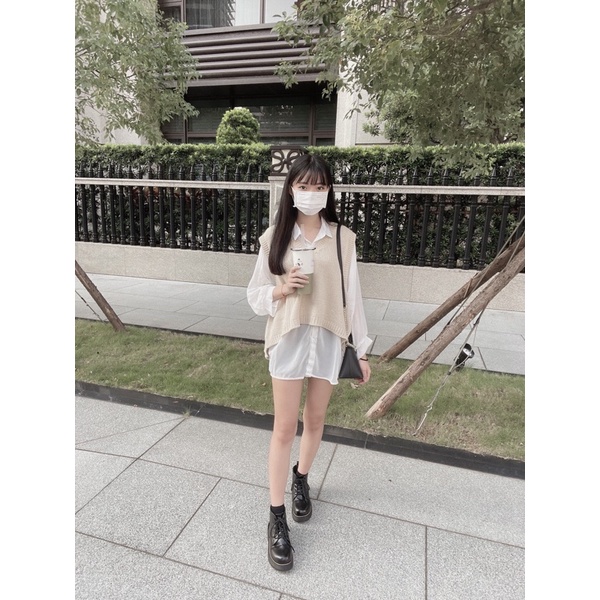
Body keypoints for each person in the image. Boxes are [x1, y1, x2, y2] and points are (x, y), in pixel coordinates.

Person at [247, 154, 372, 571]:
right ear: (291, 189)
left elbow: (353, 297)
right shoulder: (275, 238)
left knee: (315, 420)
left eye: (320, 187)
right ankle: (276, 518)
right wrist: (282, 288)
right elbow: (255, 295)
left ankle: (300, 477)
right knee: (284, 427)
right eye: (304, 186)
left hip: (329, 338)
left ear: (329, 191)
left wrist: (362, 349)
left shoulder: (343, 239)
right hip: (289, 338)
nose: (312, 194)